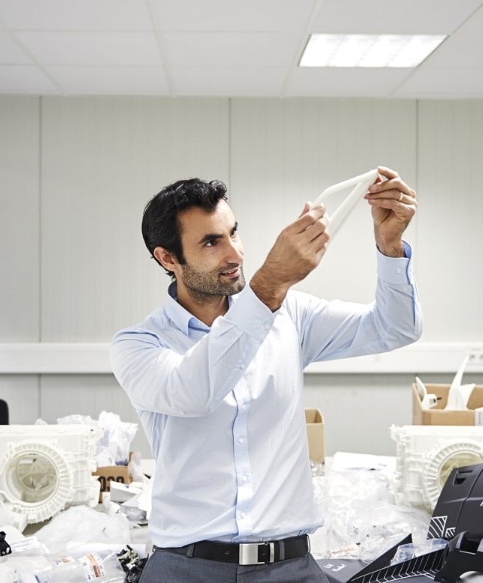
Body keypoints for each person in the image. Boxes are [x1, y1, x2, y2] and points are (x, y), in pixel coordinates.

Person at [109, 167, 422, 582]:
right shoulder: (138, 344)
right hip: (186, 568)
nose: (235, 254)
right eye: (210, 242)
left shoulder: (289, 316)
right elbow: (193, 392)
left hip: (291, 567)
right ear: (167, 258)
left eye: (234, 233)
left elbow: (394, 328)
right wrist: (270, 284)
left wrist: (390, 246)